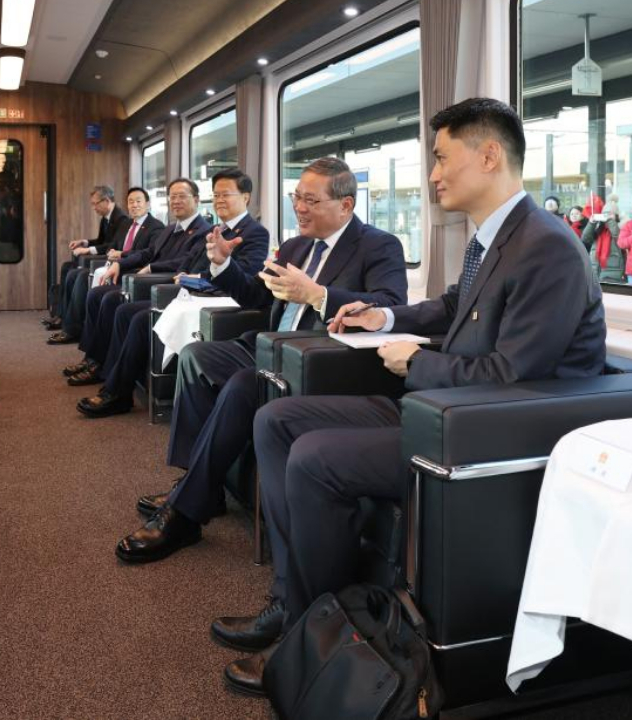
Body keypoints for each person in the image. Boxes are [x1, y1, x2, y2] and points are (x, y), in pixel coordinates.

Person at [217, 98, 606, 695]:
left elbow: (512, 376)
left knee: (315, 459)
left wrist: (417, 360)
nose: (432, 174)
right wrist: (384, 315)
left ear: (489, 155)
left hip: (484, 430)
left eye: (441, 158)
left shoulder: (547, 247)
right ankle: (292, 599)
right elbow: (451, 308)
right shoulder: (495, 239)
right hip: (440, 407)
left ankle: (308, 636)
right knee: (275, 419)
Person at [116, 157, 408, 563]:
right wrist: (222, 263)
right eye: (296, 197)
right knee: (196, 356)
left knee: (242, 384)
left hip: (313, 360)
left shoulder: (379, 245)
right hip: (265, 343)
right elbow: (255, 296)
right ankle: (201, 485)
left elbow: (391, 306)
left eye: (310, 200)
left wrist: (318, 295)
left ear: (345, 205)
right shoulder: (294, 246)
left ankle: (185, 513)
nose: (299, 208)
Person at [77, 168, 269, 418]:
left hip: (213, 301)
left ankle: (116, 393)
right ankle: (112, 382)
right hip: (185, 292)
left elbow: (243, 276)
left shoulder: (255, 233)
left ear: (246, 197)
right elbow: (187, 261)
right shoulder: (216, 230)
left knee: (137, 318)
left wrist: (200, 277)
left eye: (226, 194)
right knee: (125, 311)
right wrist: (186, 274)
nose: (220, 200)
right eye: (217, 195)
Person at [66, 178, 210, 385]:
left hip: (166, 286)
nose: (176, 201)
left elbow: (183, 263)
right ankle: (94, 359)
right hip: (147, 281)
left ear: (196, 200)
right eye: (172, 197)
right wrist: (121, 263)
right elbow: (147, 253)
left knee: (112, 302)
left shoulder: (203, 231)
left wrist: (152, 267)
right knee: (98, 295)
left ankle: (104, 370)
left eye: (182, 196)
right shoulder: (171, 228)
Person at [48, 186, 164, 345]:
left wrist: (121, 256)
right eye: (131, 202)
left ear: (148, 204)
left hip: (133, 272)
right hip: (114, 265)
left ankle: (80, 334)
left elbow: (148, 254)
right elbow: (112, 245)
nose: (134, 205)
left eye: (138, 201)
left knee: (86, 281)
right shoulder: (127, 224)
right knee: (81, 279)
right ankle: (76, 328)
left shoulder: (156, 226)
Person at [44, 185, 131, 330]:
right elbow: (101, 241)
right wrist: (84, 242)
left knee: (76, 274)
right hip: (103, 255)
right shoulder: (106, 218)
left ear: (107, 201)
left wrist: (87, 250)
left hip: (110, 259)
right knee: (67, 267)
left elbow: (112, 245)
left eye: (95, 203)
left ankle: (71, 325)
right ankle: (61, 315)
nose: (94, 208)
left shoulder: (121, 219)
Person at [583, 199, 625, 283]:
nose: (606, 216)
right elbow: (586, 238)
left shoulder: (622, 226)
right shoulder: (598, 228)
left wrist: (610, 220)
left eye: (610, 213)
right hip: (595, 272)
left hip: (613, 274)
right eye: (604, 214)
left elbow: (618, 236)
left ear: (617, 215)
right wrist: (591, 223)